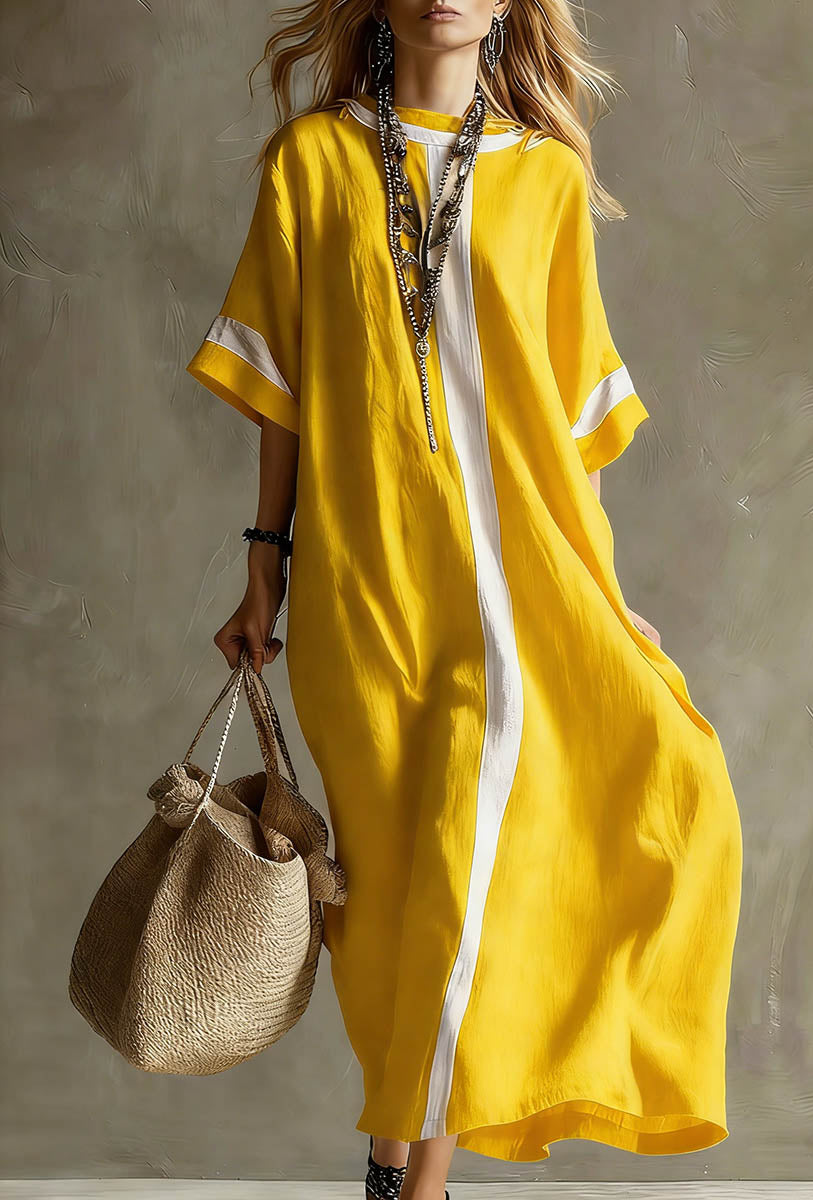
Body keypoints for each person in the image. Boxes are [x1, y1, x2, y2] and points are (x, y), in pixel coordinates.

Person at [185, 0, 744, 1194]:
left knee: (518, 846)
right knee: (395, 895)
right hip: (365, 593)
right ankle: (394, 1162)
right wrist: (263, 564)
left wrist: (604, 595)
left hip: (522, 595)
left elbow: (571, 424)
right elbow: (283, 392)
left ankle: (414, 1183)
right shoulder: (313, 162)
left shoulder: (544, 178)